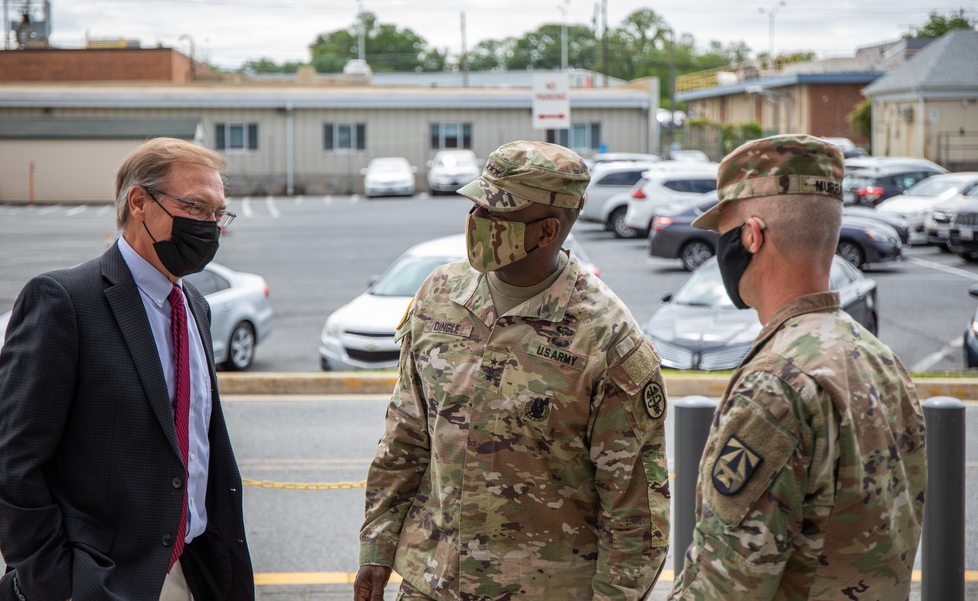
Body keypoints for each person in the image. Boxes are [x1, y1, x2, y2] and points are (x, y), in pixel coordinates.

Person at [354, 140, 670, 601]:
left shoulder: (606, 337)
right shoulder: (439, 294)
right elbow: (404, 438)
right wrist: (376, 551)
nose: (475, 223)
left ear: (546, 231)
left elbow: (634, 509)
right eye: (476, 206)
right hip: (433, 583)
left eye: (494, 215)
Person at [0, 137, 255, 600]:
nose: (210, 226)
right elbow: (7, 465)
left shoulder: (195, 307)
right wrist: (56, 583)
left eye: (217, 213)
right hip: (103, 581)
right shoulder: (65, 301)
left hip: (197, 570)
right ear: (140, 202)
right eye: (196, 207)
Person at [668, 135, 926, 600]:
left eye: (723, 233)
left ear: (751, 236)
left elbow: (726, 585)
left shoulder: (776, 383)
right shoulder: (881, 360)